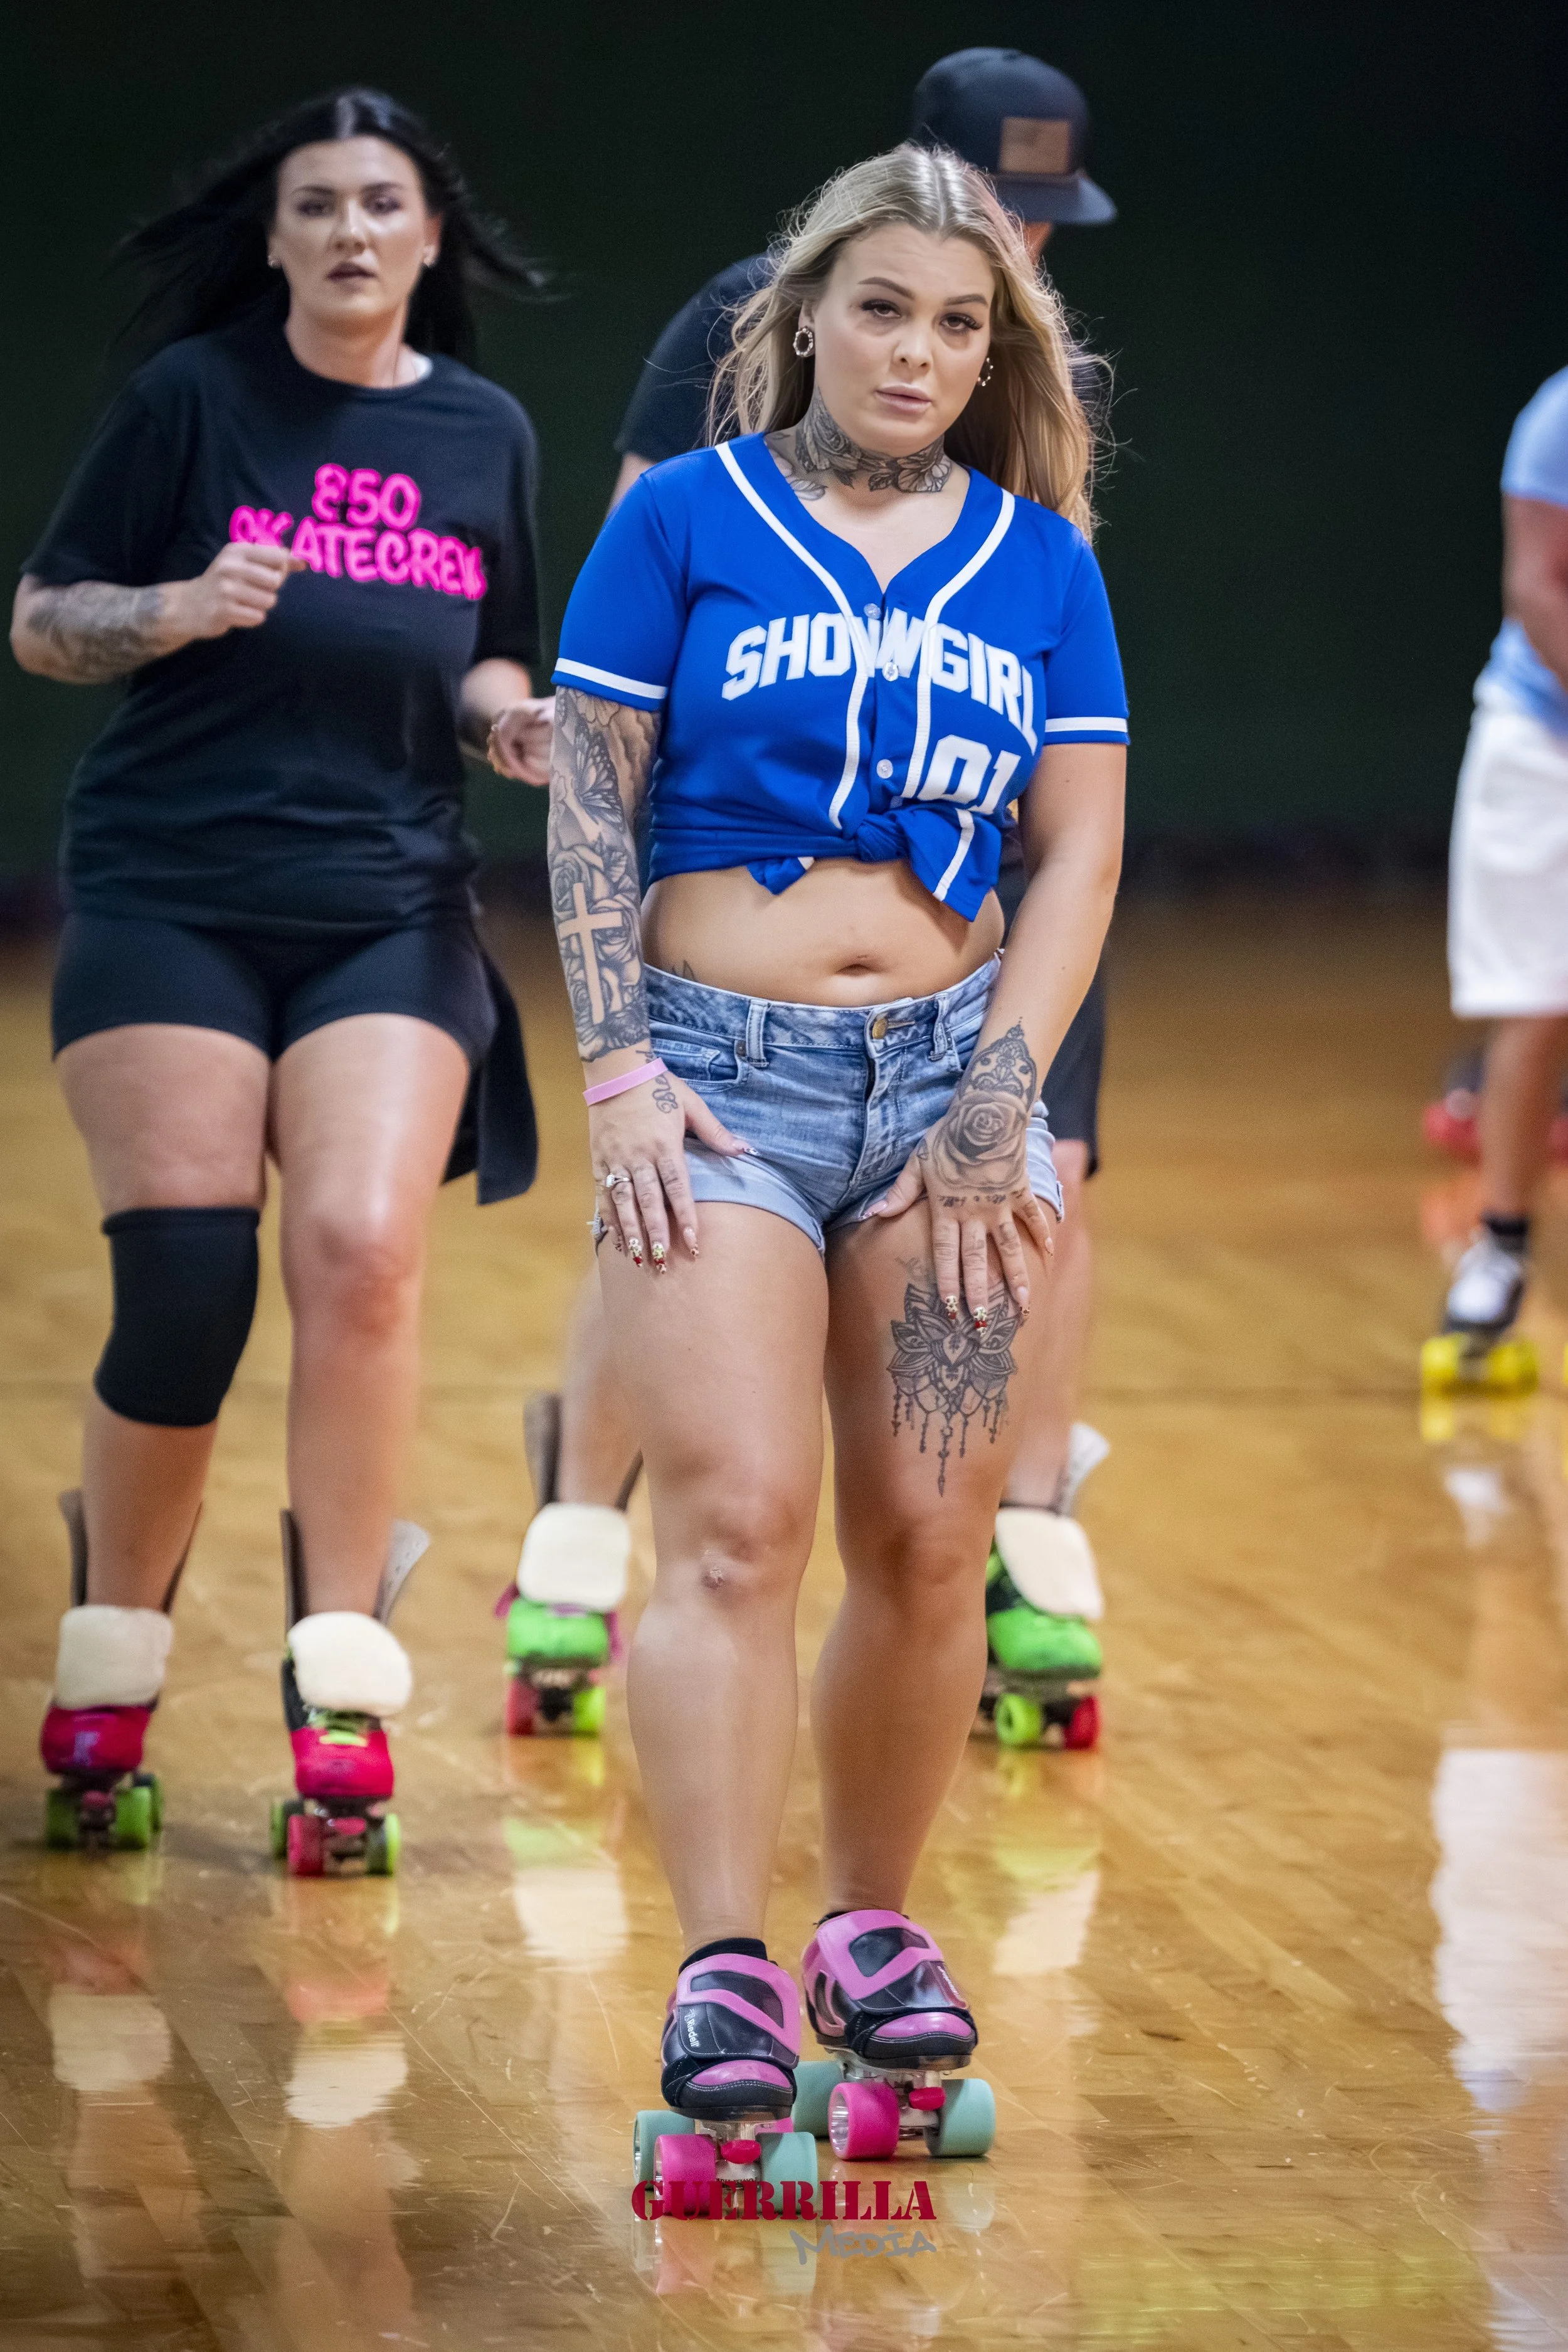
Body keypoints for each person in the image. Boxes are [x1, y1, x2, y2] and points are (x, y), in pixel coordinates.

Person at [544, 145, 1125, 2136]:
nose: (918, 349)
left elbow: (1077, 850)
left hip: (946, 1094)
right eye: (882, 306)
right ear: (805, 311)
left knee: (936, 1534)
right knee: (731, 1518)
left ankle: (867, 1927)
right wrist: (615, 1064)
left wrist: (1000, 1101)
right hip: (714, 1078)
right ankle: (720, 1959)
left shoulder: (1039, 559)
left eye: (960, 323)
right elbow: (590, 804)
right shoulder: (688, 521)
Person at [11, 87, 551, 1867]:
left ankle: (339, 1685)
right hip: (172, 887)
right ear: (273, 240)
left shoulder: (483, 429)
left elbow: (486, 654)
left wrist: (518, 721)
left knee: (363, 1250)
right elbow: (46, 616)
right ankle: (119, 1653)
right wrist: (171, 607)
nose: (344, 230)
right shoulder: (194, 403)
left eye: (379, 203)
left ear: (425, 242)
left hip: (384, 904)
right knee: (186, 1287)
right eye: (312, 203)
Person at [1436, 366, 1568, 1365]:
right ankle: (1502, 1247)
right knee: (1535, 1001)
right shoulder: (1557, 417)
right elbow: (1536, 585)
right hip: (1542, 738)